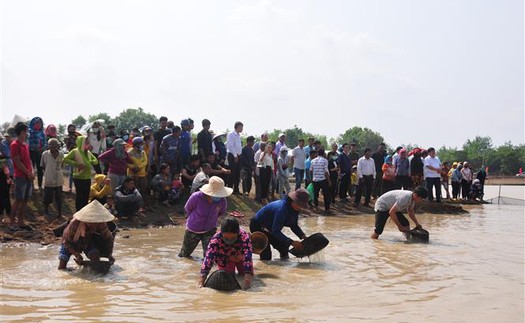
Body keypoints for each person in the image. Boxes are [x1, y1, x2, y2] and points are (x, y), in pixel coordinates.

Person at [178, 176, 232, 258]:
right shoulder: (196, 197)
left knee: (210, 256)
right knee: (184, 255)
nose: (218, 197)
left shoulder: (222, 201)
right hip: (193, 229)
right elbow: (188, 209)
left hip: (210, 229)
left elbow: (221, 213)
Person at [250, 189, 309, 260]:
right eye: (299, 205)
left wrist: (303, 236)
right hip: (258, 225)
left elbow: (294, 225)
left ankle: (284, 264)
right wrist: (292, 242)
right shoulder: (281, 210)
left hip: (270, 227)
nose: (300, 207)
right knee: (266, 253)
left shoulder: (294, 209)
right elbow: (275, 231)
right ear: (293, 201)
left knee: (283, 247)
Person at [58, 200, 115, 270]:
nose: (94, 224)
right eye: (91, 222)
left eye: (96, 222)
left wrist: (109, 254)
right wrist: (77, 255)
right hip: (70, 242)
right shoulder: (75, 224)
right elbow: (66, 242)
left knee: (95, 256)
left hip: (86, 241)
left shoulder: (101, 223)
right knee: (62, 266)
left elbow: (109, 238)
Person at [198, 218, 254, 290]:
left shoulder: (244, 237)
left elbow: (248, 258)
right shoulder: (215, 240)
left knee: (243, 275)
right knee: (227, 277)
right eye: (226, 238)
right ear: (221, 233)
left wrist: (247, 284)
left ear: (237, 233)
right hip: (225, 259)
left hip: (240, 258)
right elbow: (208, 260)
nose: (229, 240)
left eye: (233, 237)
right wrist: (201, 282)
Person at [9, 122, 35, 230]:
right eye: (25, 131)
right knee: (18, 199)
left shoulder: (25, 145)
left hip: (28, 175)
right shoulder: (14, 145)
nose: (27, 133)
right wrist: (28, 173)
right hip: (20, 176)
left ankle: (21, 221)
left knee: (25, 199)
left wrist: (32, 171)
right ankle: (12, 222)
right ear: (21, 132)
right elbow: (17, 162)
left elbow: (28, 160)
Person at [40, 138, 64, 218]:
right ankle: (46, 211)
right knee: (47, 197)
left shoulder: (61, 154)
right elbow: (43, 166)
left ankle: (59, 213)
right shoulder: (45, 154)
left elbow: (62, 165)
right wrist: (48, 172)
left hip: (58, 179)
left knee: (59, 197)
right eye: (50, 144)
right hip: (48, 178)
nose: (52, 146)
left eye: (54, 144)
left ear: (57, 145)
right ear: (48, 146)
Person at [127, 137, 148, 205]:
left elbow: (145, 161)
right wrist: (133, 167)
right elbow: (127, 163)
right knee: (133, 190)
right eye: (141, 144)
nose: (142, 145)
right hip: (132, 174)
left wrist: (139, 167)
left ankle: (143, 204)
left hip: (142, 174)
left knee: (143, 189)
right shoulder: (129, 152)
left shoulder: (142, 152)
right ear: (136, 144)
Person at [310, 149, 332, 213]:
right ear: (323, 154)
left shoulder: (313, 161)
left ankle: (316, 207)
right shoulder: (325, 161)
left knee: (315, 194)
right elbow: (326, 172)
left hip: (315, 180)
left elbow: (311, 170)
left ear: (317, 153)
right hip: (323, 180)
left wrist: (312, 179)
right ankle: (327, 209)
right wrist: (329, 180)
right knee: (326, 194)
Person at [28, 117, 47, 190]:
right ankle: (31, 185)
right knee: (31, 168)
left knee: (40, 169)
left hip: (40, 153)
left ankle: (40, 185)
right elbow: (29, 142)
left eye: (40, 123)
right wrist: (36, 148)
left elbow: (45, 142)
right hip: (32, 152)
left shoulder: (42, 133)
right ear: (33, 124)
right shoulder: (30, 131)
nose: (38, 125)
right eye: (37, 123)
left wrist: (42, 148)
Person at [226, 121, 243, 194]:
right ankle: (230, 188)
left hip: (238, 156)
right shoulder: (231, 134)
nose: (242, 128)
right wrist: (235, 155)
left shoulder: (239, 135)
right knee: (232, 172)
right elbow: (230, 145)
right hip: (233, 156)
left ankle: (236, 189)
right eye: (241, 127)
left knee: (237, 173)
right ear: (237, 127)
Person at [64, 124, 81, 192]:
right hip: (71, 154)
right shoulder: (67, 137)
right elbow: (67, 144)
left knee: (78, 172)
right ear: (68, 129)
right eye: (71, 129)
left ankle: (77, 187)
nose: (72, 130)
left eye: (73, 128)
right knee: (71, 172)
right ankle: (70, 187)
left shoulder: (78, 135)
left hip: (78, 154)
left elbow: (82, 141)